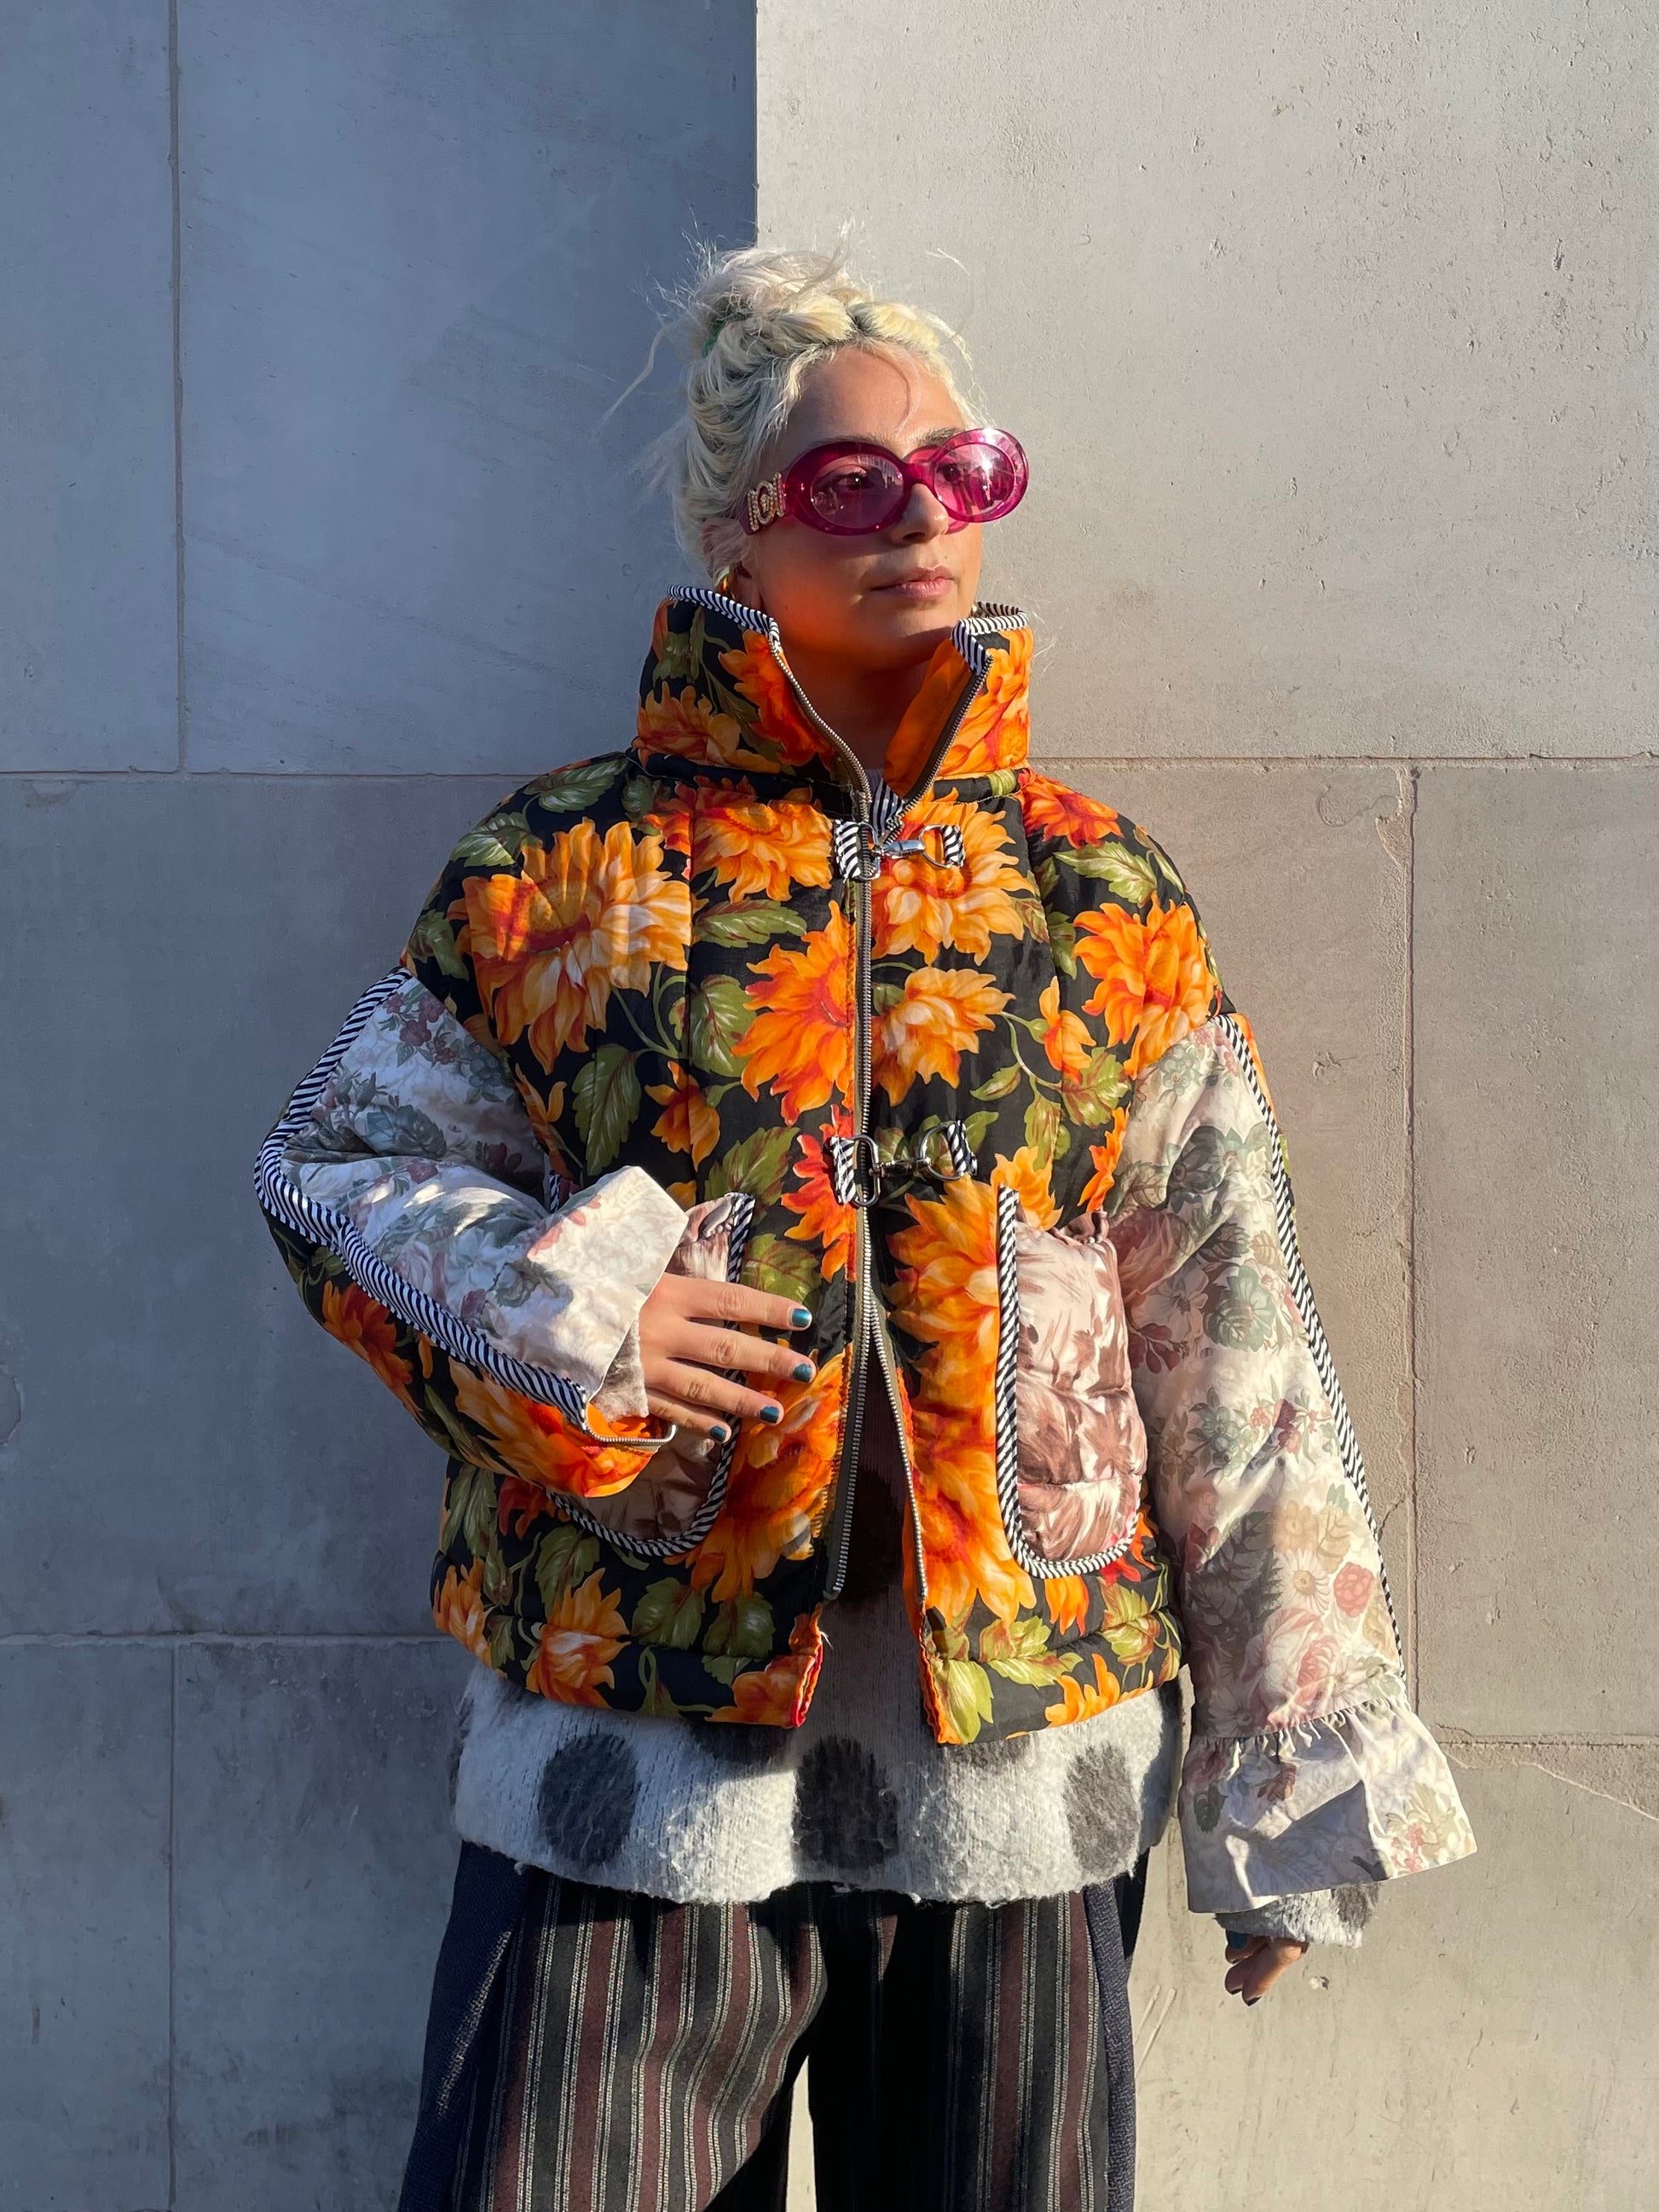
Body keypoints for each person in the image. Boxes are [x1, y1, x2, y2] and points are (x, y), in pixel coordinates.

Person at [257, 243, 1475, 2212]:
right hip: (634, 1760)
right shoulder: (561, 869)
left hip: (1018, 1779)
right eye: (853, 479)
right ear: (741, 525)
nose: (919, 514)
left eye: (962, 471)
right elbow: (340, 1172)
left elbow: (1225, 1322)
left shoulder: (1094, 894)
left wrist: (1287, 1766)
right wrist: (573, 1311)